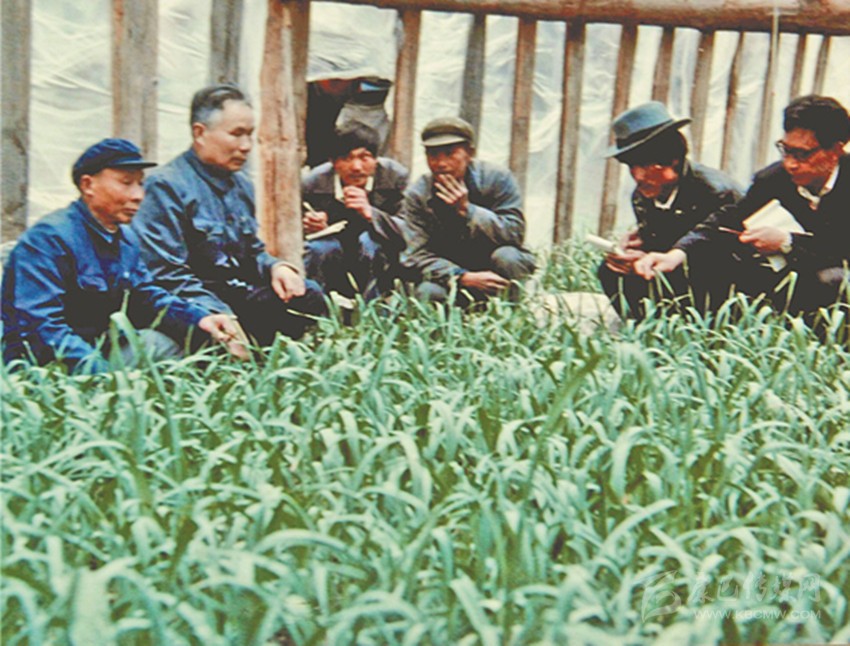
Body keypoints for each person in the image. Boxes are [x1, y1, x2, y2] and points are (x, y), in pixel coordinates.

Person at [1, 138, 248, 374]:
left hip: (99, 350)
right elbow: (41, 327)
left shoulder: (125, 238)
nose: (138, 195)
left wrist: (201, 319)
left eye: (140, 183)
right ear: (88, 185)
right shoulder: (48, 240)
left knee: (171, 346)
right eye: (126, 182)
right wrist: (104, 378)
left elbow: (147, 298)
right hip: (46, 364)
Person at [132, 84, 327, 346]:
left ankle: (257, 351)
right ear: (200, 133)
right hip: (190, 304)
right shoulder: (165, 186)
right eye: (236, 134)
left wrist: (276, 267)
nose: (246, 146)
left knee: (306, 295)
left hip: (234, 295)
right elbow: (166, 276)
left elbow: (252, 252)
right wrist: (220, 315)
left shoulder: (241, 185)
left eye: (250, 135)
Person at [635, 95, 850, 316]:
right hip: (791, 280)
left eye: (803, 154)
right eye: (786, 150)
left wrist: (787, 242)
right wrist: (677, 254)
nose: (790, 164)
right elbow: (730, 218)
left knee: (834, 280)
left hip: (834, 287)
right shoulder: (774, 179)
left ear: (835, 150)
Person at [598, 102, 742, 318]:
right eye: (631, 166)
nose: (638, 176)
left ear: (672, 159)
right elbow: (656, 243)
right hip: (672, 274)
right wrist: (635, 256)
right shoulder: (642, 197)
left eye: (645, 165)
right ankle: (644, 326)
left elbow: (717, 249)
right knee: (611, 270)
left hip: (718, 283)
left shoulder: (716, 191)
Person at [400, 116, 536, 305]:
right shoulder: (418, 194)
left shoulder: (496, 179)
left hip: (494, 267)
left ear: (470, 153)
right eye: (433, 155)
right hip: (452, 275)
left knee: (508, 257)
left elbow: (514, 233)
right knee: (427, 292)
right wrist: (462, 276)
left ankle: (512, 313)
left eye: (450, 154)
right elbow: (415, 255)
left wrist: (468, 210)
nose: (440, 163)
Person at [302, 123, 409, 300]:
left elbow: (410, 229)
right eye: (346, 158)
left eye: (364, 157)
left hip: (377, 252)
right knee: (318, 248)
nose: (356, 167)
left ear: (376, 159)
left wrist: (371, 214)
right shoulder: (314, 182)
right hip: (337, 251)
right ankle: (319, 307)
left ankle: (376, 307)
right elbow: (295, 229)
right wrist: (312, 226)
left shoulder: (394, 177)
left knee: (369, 242)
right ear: (333, 162)